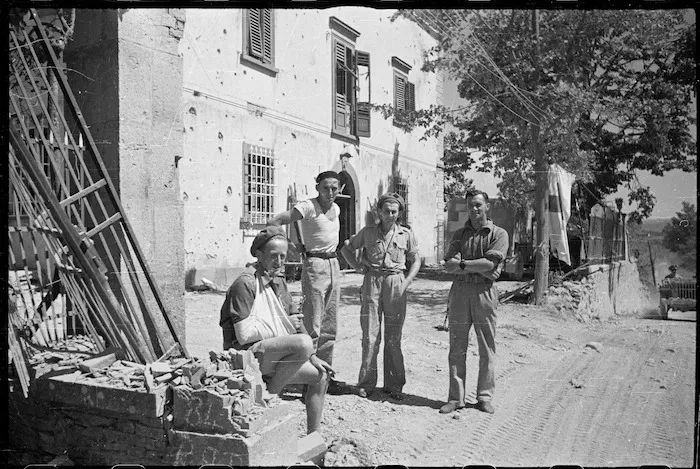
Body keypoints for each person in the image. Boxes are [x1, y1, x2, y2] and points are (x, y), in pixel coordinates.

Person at [219, 226, 335, 434]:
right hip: (244, 357)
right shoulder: (245, 283)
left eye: (283, 256)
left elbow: (293, 321)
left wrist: (313, 356)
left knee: (321, 375)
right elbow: (244, 335)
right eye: (274, 256)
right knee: (302, 343)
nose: (280, 262)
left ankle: (313, 435)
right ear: (259, 255)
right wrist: (288, 328)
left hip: (270, 356)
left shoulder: (278, 280)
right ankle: (269, 398)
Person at [340, 192, 421, 400]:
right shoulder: (368, 233)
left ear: (399, 213)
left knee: (393, 337)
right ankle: (366, 383)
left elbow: (416, 259)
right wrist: (358, 267)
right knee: (370, 336)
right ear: (379, 212)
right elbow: (346, 248)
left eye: (394, 211)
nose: (390, 215)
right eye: (386, 211)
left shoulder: (406, 234)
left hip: (396, 282)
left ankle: (394, 386)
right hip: (373, 282)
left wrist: (407, 281)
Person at [267, 171, 342, 392]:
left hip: (334, 264)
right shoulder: (307, 206)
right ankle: (305, 378)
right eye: (326, 187)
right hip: (315, 265)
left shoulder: (336, 209)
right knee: (313, 324)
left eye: (335, 188)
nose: (330, 192)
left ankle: (323, 378)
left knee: (330, 325)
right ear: (318, 187)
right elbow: (275, 221)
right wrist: (290, 247)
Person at [439, 190, 508, 415]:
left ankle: (484, 397)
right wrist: (476, 266)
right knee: (457, 347)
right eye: (470, 205)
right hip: (460, 292)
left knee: (486, 347)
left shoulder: (499, 234)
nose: (474, 209)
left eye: (478, 205)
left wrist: (463, 264)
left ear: (488, 206)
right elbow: (449, 263)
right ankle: (455, 398)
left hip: (484, 294)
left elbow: (491, 264)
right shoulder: (459, 234)